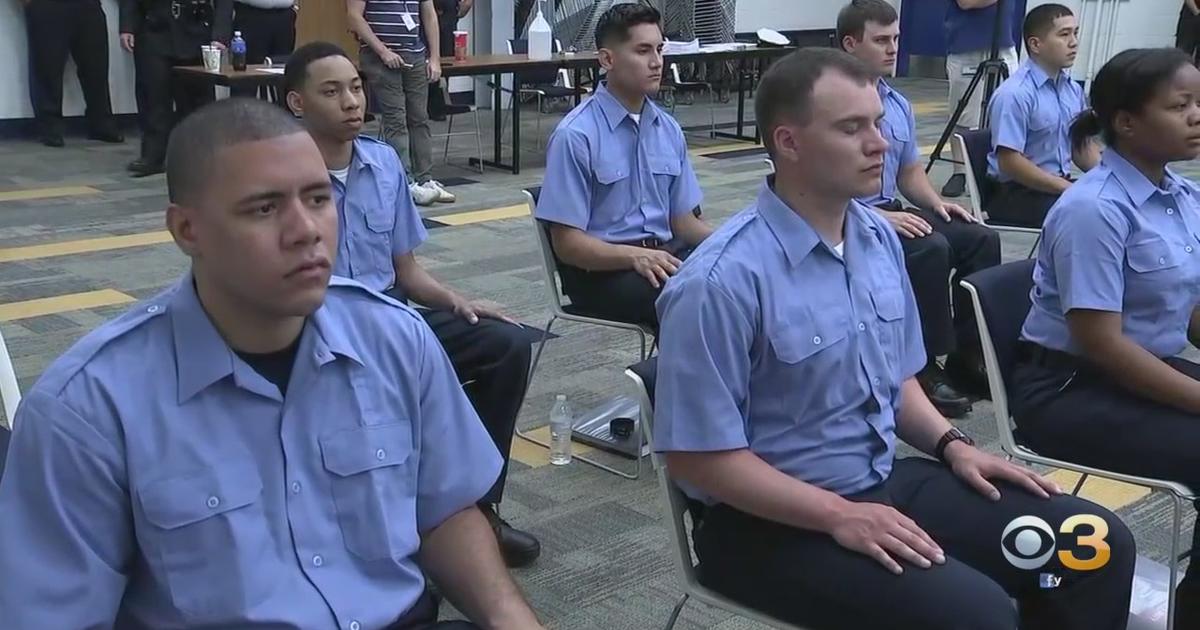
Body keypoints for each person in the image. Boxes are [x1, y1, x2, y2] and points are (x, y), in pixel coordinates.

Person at [0, 98, 544, 630]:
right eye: (264, 208)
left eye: (317, 199)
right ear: (186, 231)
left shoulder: (395, 338)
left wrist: (512, 620)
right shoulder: (87, 409)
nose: (306, 230)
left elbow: (444, 511)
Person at [653, 47, 1136, 630]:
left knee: (1095, 547)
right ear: (789, 142)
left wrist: (954, 446)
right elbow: (697, 459)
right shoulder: (720, 282)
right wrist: (836, 516)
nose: (880, 144)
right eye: (852, 128)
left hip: (880, 481)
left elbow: (897, 380)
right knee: (976, 613)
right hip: (767, 523)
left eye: (878, 123)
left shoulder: (876, 240)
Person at [282, 42, 541, 568]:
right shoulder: (281, 179)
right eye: (331, 92)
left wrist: (459, 300)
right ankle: (383, 535)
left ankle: (479, 509)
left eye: (356, 87)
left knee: (506, 343)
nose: (352, 101)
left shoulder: (382, 163)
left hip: (394, 319)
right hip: (319, 333)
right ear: (297, 104)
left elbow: (407, 272)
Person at [1010, 46, 1200, 625]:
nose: (1198, 116)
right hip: (1069, 389)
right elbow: (1102, 345)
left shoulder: (1183, 198)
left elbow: (1191, 313)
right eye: (1181, 105)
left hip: (1139, 370)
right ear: (1126, 121)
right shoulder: (1094, 209)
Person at [838, 0, 1000, 414]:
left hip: (888, 208)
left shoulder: (896, 103)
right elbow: (820, 183)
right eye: (880, 40)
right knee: (929, 248)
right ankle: (923, 366)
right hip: (842, 217)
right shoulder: (830, 103)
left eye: (895, 39)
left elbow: (910, 172)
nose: (893, 48)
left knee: (978, 237)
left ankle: (969, 354)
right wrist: (879, 217)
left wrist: (938, 203)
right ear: (850, 45)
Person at [535, 3, 710, 334]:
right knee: (692, 297)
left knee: (739, 278)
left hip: (664, 258)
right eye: (643, 51)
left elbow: (684, 222)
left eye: (660, 49)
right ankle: (677, 382)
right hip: (602, 272)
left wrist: (736, 240)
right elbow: (568, 245)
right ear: (607, 60)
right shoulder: (576, 135)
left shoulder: (667, 128)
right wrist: (634, 257)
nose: (657, 62)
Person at [986, 4, 1097, 228]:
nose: (1074, 42)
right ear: (1035, 44)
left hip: (1054, 186)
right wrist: (1066, 188)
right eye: (1064, 34)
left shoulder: (1072, 89)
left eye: (1075, 33)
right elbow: (1010, 163)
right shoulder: (1015, 94)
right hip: (1014, 193)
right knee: (1090, 217)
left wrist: (1113, 176)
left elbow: (1081, 146)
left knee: (1116, 203)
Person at [347, 0, 454, 206]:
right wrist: (383, 51)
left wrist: (434, 58)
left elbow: (429, 14)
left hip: (414, 53)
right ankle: (405, 181)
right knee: (396, 119)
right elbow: (354, 16)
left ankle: (425, 179)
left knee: (419, 118)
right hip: (379, 57)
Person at [119, 0, 232, 177]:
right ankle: (152, 156)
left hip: (196, 27)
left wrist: (220, 35)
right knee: (153, 96)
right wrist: (126, 26)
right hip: (155, 27)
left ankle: (199, 156)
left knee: (197, 102)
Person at [941, 0, 1021, 199]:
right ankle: (960, 172)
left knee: (1011, 109)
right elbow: (966, 2)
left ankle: (1003, 170)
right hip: (966, 45)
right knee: (964, 112)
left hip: (1003, 44)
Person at [22, 0, 124, 147]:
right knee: (47, 68)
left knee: (96, 67)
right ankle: (49, 128)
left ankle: (101, 123)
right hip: (46, 5)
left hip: (88, 5)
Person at [428, 0, 472, 121]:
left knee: (447, 56)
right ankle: (432, 103)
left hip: (447, 10)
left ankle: (438, 101)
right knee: (429, 54)